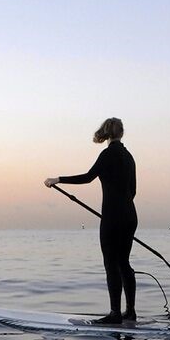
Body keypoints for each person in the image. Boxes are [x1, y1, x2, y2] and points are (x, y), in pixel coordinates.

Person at [44, 118, 138, 325]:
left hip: (112, 218)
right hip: (130, 216)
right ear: (122, 133)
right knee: (124, 263)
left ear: (106, 133)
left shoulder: (107, 154)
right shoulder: (129, 157)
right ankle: (130, 312)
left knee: (111, 264)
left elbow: (88, 177)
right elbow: (133, 191)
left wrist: (58, 179)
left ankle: (115, 314)